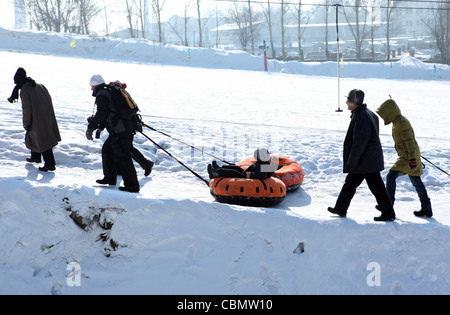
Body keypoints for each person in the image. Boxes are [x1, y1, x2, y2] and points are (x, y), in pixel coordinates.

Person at [327, 89, 396, 222]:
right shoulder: (366, 113)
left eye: (348, 100)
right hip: (367, 159)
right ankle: (340, 208)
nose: (346, 102)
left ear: (355, 102)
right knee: (351, 183)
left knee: (376, 187)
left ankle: (388, 214)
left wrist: (352, 161)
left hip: (365, 160)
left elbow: (360, 142)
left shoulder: (361, 116)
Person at [376, 98, 432, 218]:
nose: (383, 117)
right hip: (410, 155)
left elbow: (410, 141)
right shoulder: (397, 121)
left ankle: (387, 206)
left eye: (384, 114)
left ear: (390, 112)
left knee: (390, 176)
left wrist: (412, 159)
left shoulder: (401, 123)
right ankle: (426, 208)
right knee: (416, 181)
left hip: (408, 157)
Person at [86, 74, 140, 193]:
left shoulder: (102, 94)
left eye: (91, 86)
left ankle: (132, 186)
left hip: (120, 130)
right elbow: (110, 113)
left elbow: (102, 113)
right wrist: (100, 127)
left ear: (95, 85)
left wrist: (91, 127)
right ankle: (109, 178)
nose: (91, 89)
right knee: (107, 150)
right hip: (120, 129)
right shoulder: (108, 91)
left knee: (124, 157)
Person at [8, 67, 61, 172]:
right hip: (46, 116)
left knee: (42, 140)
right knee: (34, 137)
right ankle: (35, 157)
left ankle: (50, 164)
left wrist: (26, 122)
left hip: (36, 119)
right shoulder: (39, 85)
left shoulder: (25, 90)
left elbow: (26, 109)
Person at [208, 148, 277, 180]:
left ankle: (216, 173)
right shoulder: (262, 163)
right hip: (248, 174)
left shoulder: (264, 166)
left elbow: (263, 176)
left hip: (249, 178)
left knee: (234, 172)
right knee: (237, 168)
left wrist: (250, 174)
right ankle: (218, 168)